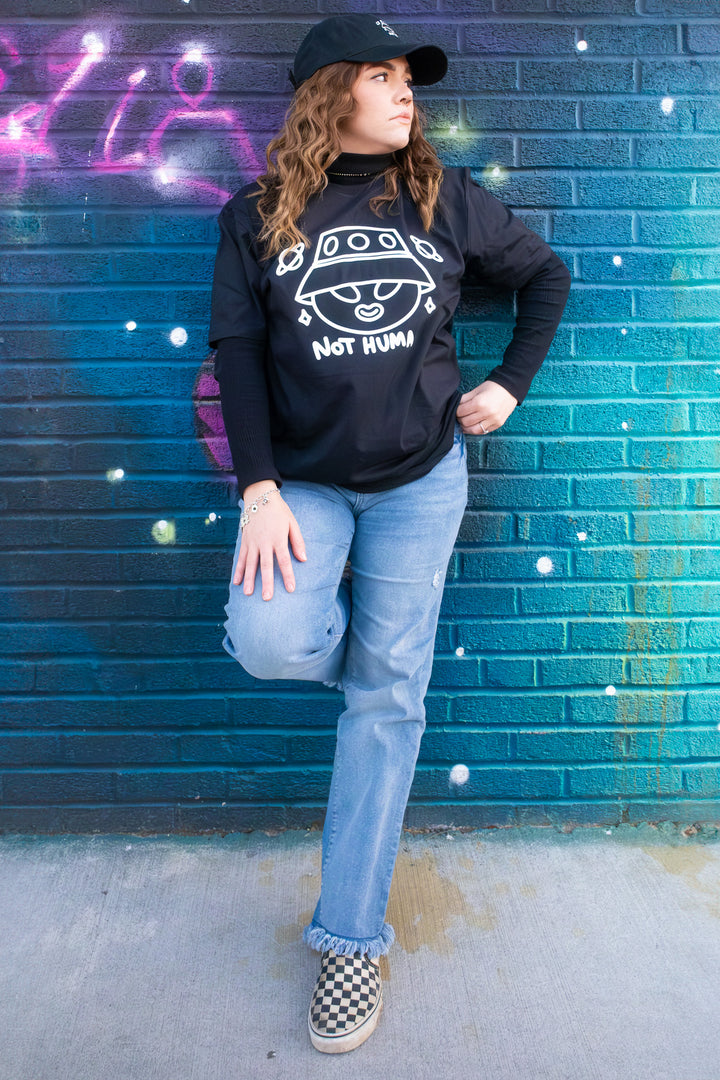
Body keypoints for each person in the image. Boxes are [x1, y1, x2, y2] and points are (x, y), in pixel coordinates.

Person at [208, 12, 570, 1055]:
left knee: (388, 704)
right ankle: (378, 673)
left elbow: (544, 278)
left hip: (421, 483)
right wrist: (259, 489)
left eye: (409, 75)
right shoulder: (256, 214)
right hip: (305, 488)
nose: (406, 90)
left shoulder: (443, 197)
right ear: (330, 93)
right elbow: (237, 355)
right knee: (275, 643)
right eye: (382, 74)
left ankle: (350, 938)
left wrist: (508, 383)